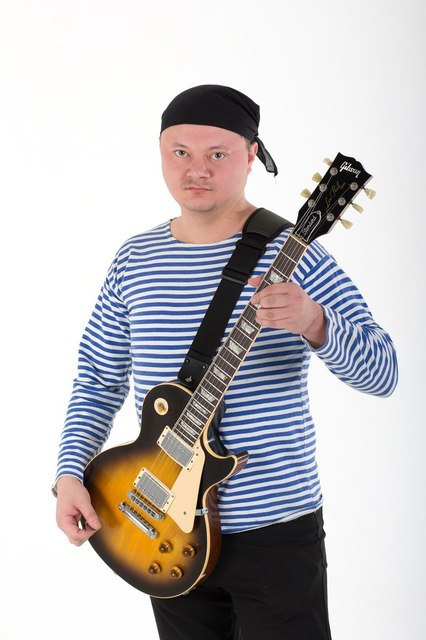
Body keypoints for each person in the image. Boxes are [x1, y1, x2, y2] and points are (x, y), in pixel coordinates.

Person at [54, 84, 398, 640]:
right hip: (158, 526)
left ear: (252, 155)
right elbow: (97, 378)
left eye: (218, 153)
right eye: (180, 152)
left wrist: (316, 323)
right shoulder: (135, 259)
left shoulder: (298, 255)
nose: (197, 170)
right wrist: (70, 472)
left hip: (275, 532)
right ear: (160, 153)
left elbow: (385, 373)